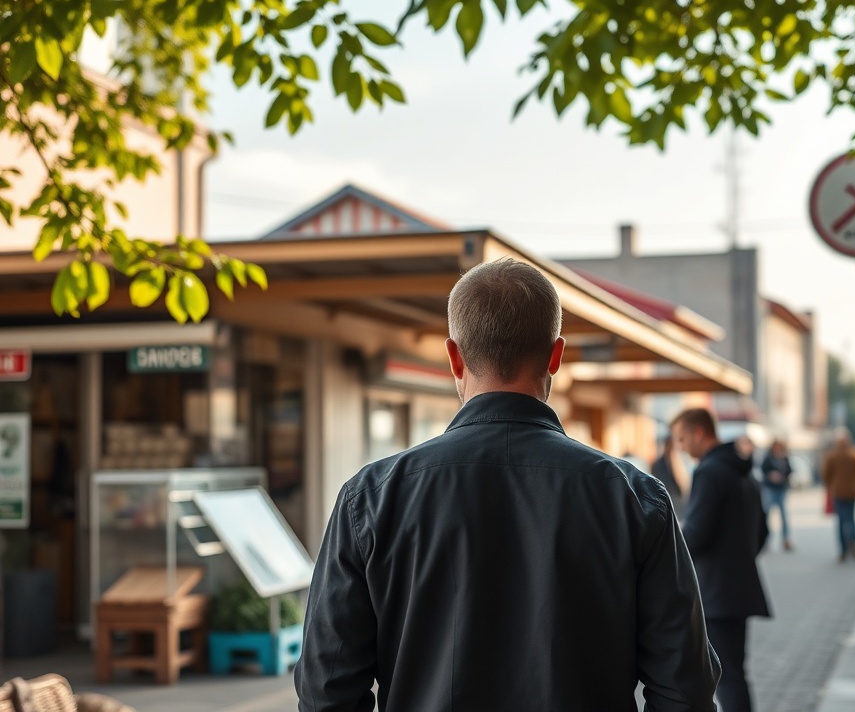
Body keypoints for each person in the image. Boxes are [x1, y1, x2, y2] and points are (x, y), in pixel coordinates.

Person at [296, 259, 720, 712]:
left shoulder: (372, 498)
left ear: (455, 357)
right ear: (555, 356)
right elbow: (684, 691)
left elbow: (328, 693)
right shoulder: (635, 499)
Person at [674, 408, 770, 712]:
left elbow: (696, 534)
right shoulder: (742, 471)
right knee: (735, 674)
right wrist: (738, 558)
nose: (681, 446)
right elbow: (763, 531)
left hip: (716, 592)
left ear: (699, 433)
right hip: (739, 588)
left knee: (725, 677)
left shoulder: (708, 471)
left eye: (682, 438)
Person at [821, 428, 855, 562]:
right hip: (852, 491)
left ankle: (843, 550)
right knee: (851, 519)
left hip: (838, 492)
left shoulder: (832, 455)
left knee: (841, 521)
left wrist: (831, 487)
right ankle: (853, 543)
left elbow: (826, 474)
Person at [759, 439, 794, 551]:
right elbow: (763, 470)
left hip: (781, 489)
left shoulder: (784, 458)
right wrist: (771, 475)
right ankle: (765, 540)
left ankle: (785, 540)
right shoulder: (768, 458)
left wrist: (782, 476)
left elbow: (790, 470)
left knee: (783, 516)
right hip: (770, 489)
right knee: (767, 515)